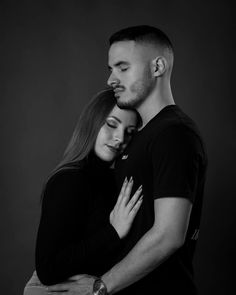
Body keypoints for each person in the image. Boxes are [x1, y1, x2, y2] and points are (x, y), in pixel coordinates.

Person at [47, 25, 208, 295]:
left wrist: (100, 287)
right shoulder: (138, 134)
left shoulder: (174, 132)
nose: (111, 79)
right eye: (110, 69)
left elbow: (169, 235)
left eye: (122, 67)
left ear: (157, 67)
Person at [23, 89, 143, 294]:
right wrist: (113, 233)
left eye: (129, 132)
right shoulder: (69, 180)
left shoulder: (112, 180)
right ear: (92, 123)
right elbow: (48, 268)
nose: (119, 138)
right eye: (112, 124)